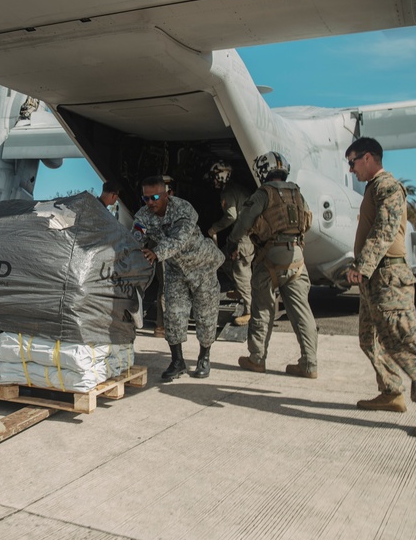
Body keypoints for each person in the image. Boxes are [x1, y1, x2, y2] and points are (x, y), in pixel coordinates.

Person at [345, 137, 416, 438]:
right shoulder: (371, 189)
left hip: (389, 277)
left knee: (402, 342)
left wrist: (361, 265)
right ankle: (391, 392)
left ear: (369, 157)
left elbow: (384, 232)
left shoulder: (388, 186)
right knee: (369, 340)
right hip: (373, 279)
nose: (350, 169)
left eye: (352, 162)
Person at [228, 152, 319, 379]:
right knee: (302, 313)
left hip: (269, 258)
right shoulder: (297, 192)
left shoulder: (263, 194)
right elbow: (308, 219)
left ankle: (257, 359)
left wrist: (232, 242)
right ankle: (309, 364)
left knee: (262, 309)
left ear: (262, 171)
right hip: (297, 257)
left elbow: (244, 222)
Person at [133, 175, 225, 381]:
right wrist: (132, 251)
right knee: (173, 315)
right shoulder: (143, 216)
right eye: (145, 198)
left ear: (167, 194)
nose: (150, 202)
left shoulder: (184, 210)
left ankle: (204, 357)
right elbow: (136, 237)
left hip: (203, 267)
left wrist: (156, 252)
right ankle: (177, 361)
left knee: (206, 314)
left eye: (155, 197)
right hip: (176, 271)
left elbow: (179, 239)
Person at [205, 160, 254, 325]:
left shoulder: (227, 193)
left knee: (242, 272)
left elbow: (231, 216)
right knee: (224, 260)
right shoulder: (238, 189)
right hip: (245, 236)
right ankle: (241, 291)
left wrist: (214, 229)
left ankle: (249, 310)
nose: (213, 181)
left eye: (214, 177)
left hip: (243, 239)